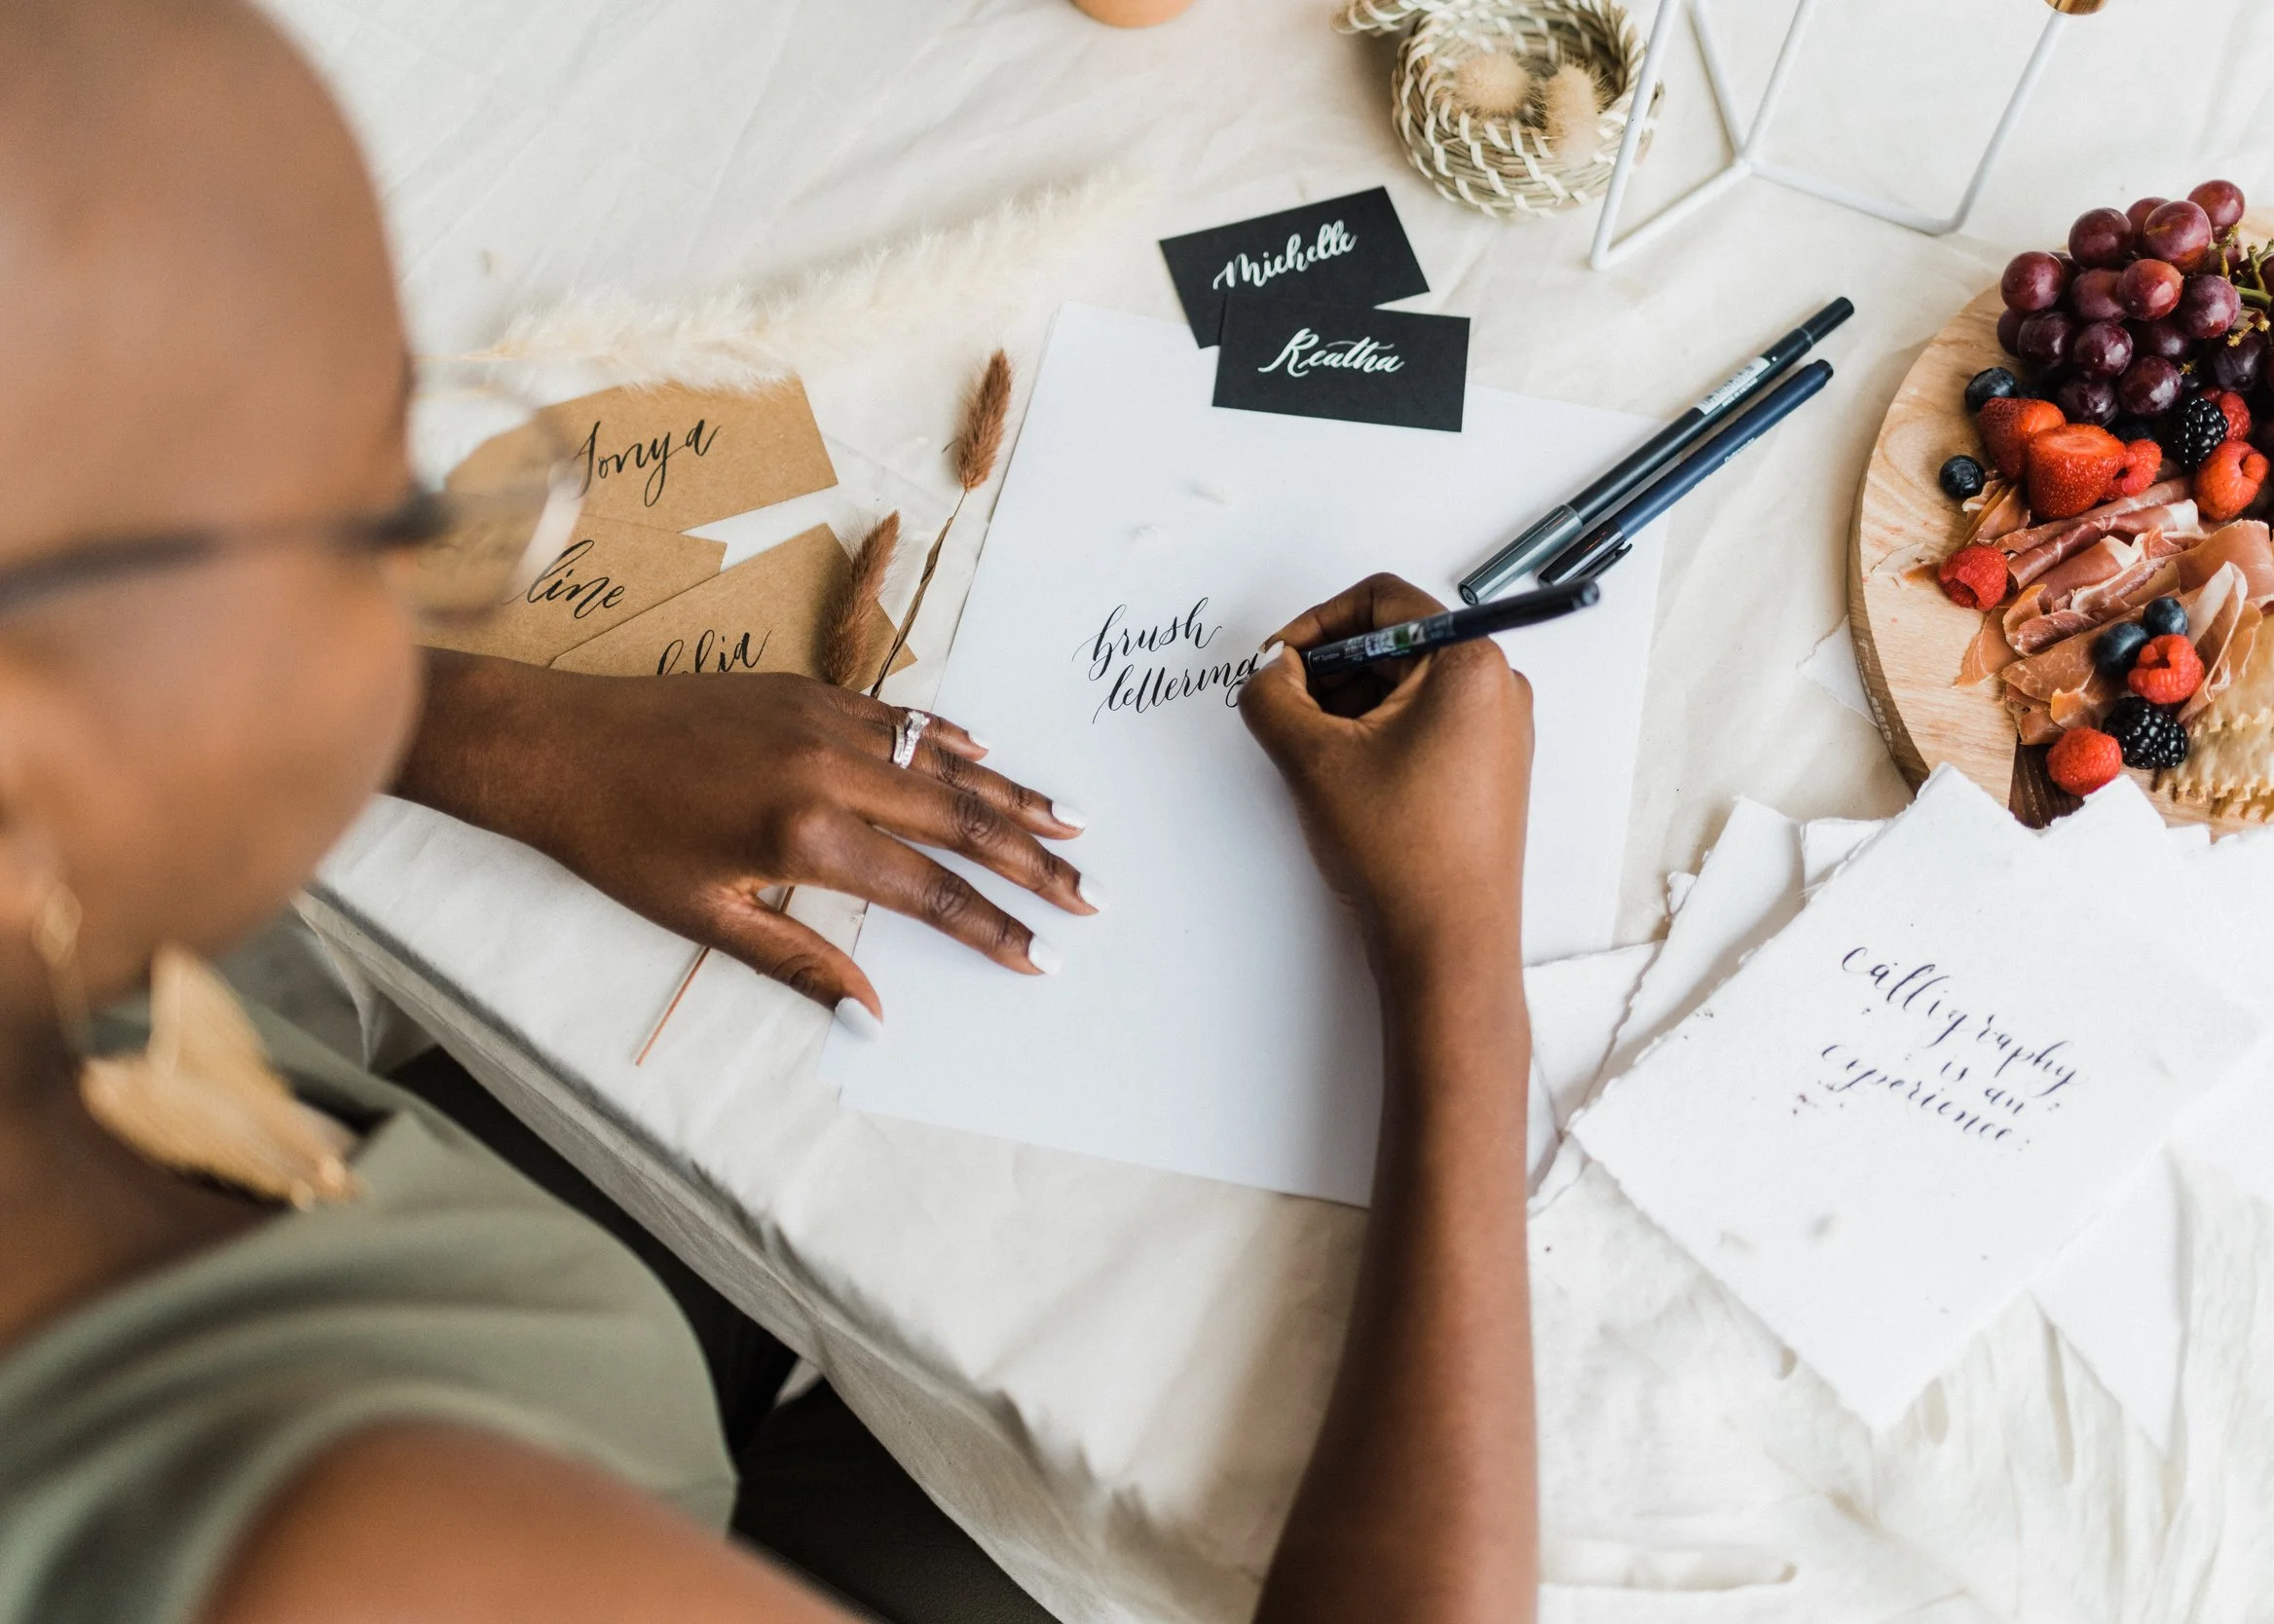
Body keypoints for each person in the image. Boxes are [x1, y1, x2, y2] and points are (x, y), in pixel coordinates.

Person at [0, 3, 1539, 1622]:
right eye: (372, 516)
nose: (433, 582)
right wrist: (1456, 967)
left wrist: (509, 727)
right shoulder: (356, 1552)